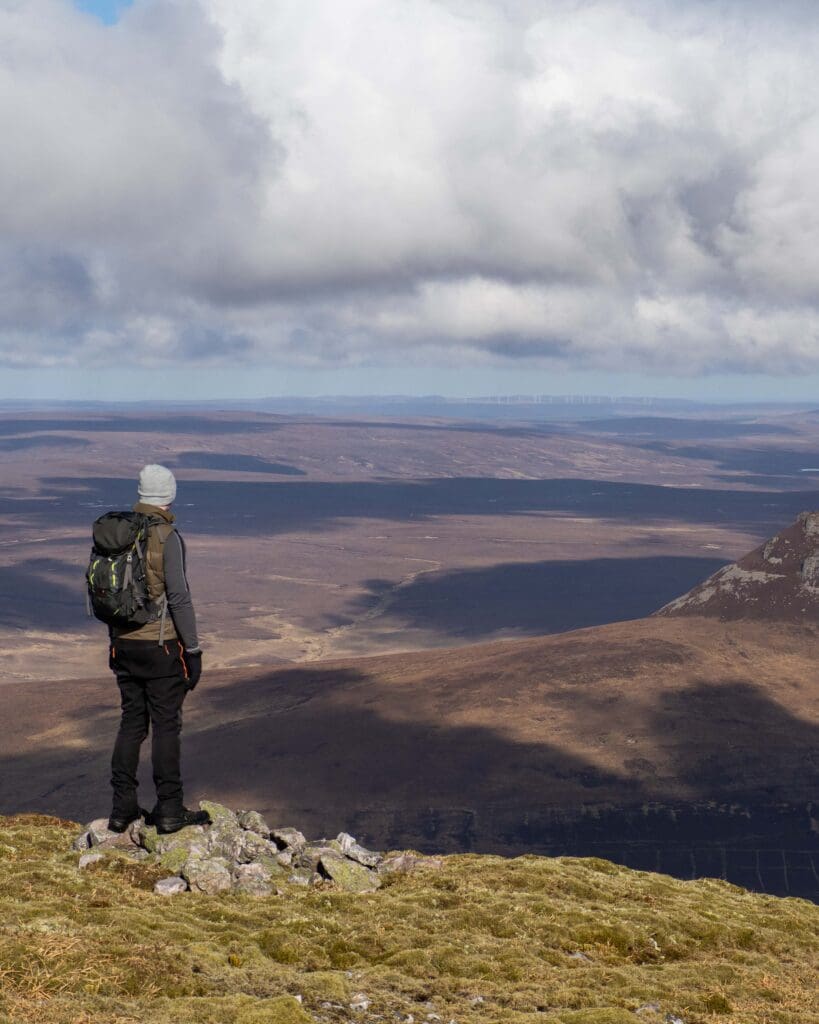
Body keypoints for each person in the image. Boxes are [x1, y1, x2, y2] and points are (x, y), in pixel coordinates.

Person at [107, 464, 210, 835]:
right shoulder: (167, 537)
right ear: (168, 494)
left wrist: (116, 640)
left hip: (123, 645)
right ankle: (169, 809)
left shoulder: (117, 532)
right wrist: (193, 650)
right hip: (160, 647)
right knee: (166, 725)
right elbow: (180, 598)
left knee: (131, 723)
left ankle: (122, 809)